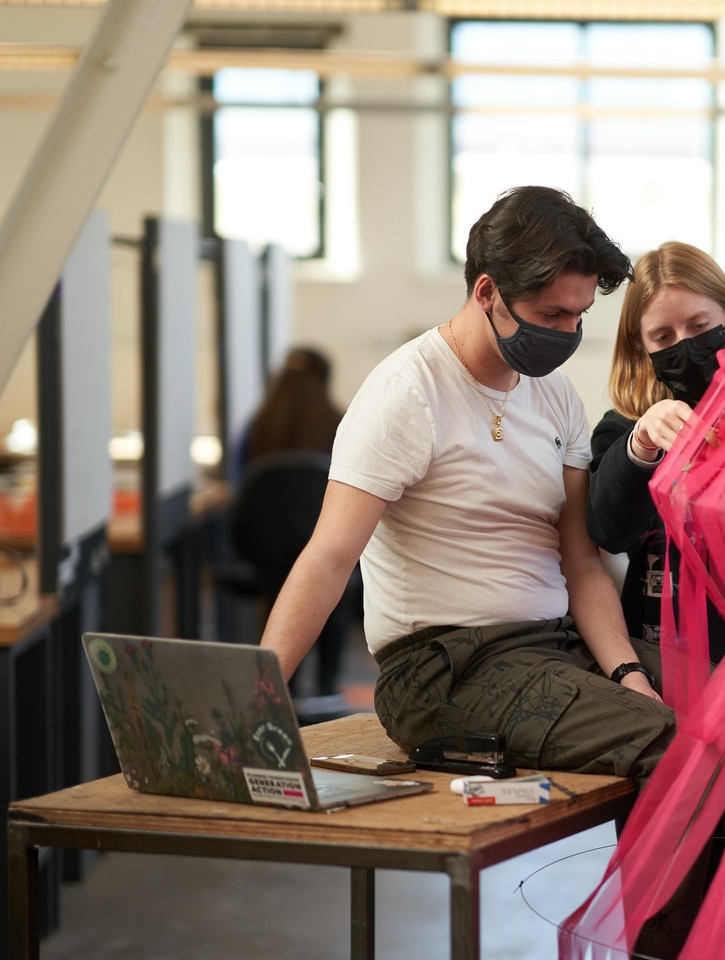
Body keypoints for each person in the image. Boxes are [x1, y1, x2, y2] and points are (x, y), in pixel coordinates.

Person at [258, 186, 674, 786]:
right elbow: (327, 559)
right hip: (444, 672)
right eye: (552, 316)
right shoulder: (408, 392)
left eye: (579, 316)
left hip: (551, 646)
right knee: (680, 745)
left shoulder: (553, 394)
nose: (567, 332)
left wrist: (627, 674)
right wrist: (258, 700)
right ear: (487, 292)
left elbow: (581, 565)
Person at [586, 241, 725, 663]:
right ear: (641, 347)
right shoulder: (623, 427)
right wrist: (642, 442)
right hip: (667, 652)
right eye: (663, 336)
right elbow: (608, 530)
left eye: (698, 324)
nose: (684, 344)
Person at [241, 345, 352, 699]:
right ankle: (327, 687)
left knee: (279, 586)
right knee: (336, 581)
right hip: (325, 544)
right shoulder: (341, 423)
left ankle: (280, 689)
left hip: (266, 554)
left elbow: (238, 486)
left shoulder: (258, 427)